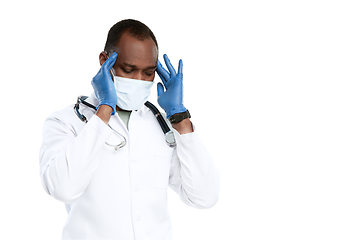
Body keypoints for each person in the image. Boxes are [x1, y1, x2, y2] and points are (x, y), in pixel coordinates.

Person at [39, 19, 220, 240]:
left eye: (148, 73)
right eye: (128, 69)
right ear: (105, 61)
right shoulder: (67, 121)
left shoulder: (161, 125)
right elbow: (62, 189)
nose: (139, 80)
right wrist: (104, 109)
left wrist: (179, 118)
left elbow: (204, 196)